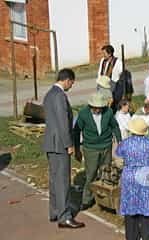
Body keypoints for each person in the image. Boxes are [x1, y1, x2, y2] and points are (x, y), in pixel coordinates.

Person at [42, 68, 85, 228]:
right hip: (60, 143)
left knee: (54, 179)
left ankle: (54, 211)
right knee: (62, 181)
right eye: (71, 83)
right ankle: (64, 216)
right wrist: (69, 144)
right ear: (67, 80)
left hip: (50, 142)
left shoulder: (49, 94)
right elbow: (62, 123)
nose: (71, 86)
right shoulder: (60, 96)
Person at [114, 118, 149, 240]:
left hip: (130, 177)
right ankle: (147, 236)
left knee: (131, 209)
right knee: (147, 207)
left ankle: (131, 236)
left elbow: (119, 162)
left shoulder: (125, 143)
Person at [74, 92, 121, 210]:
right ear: (91, 106)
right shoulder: (83, 114)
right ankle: (87, 199)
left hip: (106, 146)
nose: (98, 110)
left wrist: (120, 141)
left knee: (106, 173)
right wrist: (77, 149)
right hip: (91, 148)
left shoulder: (108, 112)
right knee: (91, 174)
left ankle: (104, 199)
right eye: (95, 108)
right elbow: (76, 131)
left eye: (100, 108)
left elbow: (115, 126)